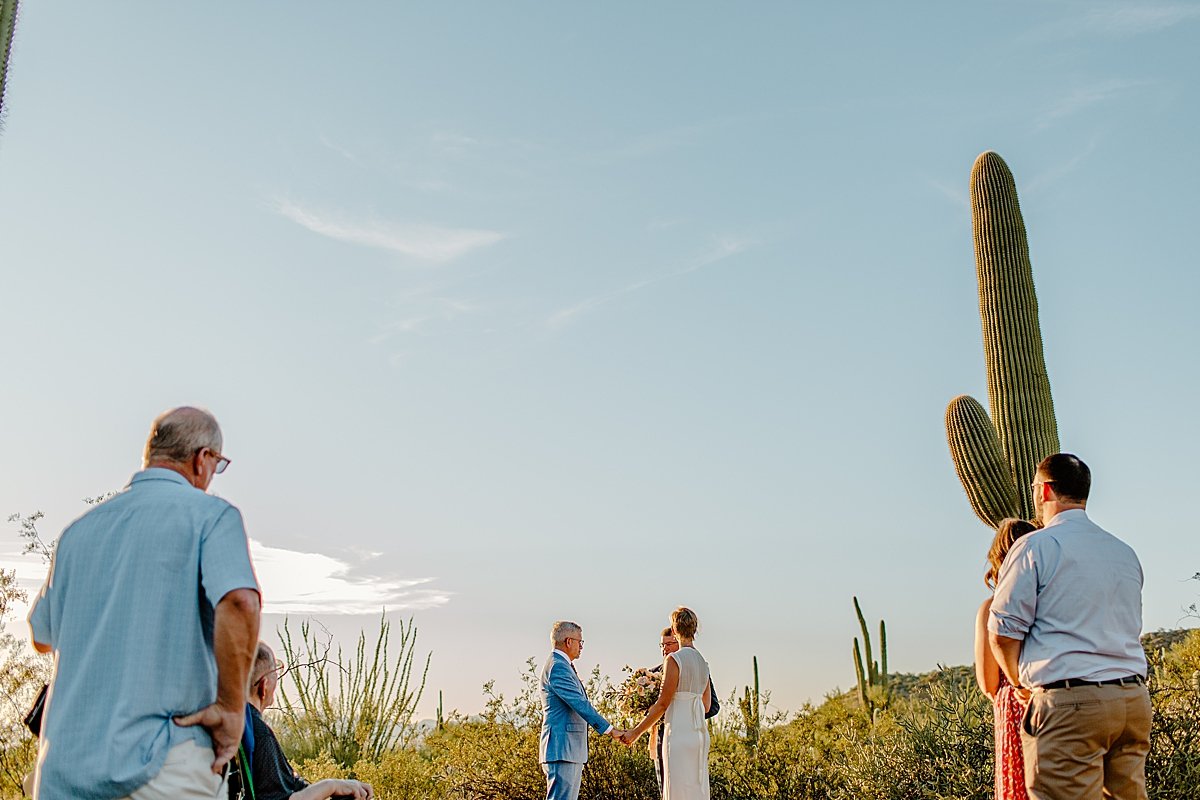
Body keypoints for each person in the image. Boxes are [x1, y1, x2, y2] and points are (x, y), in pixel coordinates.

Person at [28, 407, 262, 799]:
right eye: (217, 465)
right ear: (202, 459)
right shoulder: (211, 516)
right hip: (160, 767)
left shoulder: (77, 534)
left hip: (63, 772)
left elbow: (42, 637)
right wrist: (231, 707)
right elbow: (240, 601)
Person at [989, 453, 1151, 800]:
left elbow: (1002, 632)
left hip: (1071, 704)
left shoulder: (1034, 547)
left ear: (1044, 491)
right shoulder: (1123, 552)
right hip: (1132, 702)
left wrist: (1018, 682)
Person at [228, 643, 373, 800]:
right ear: (264, 686)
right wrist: (332, 785)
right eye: (276, 672)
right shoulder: (259, 735)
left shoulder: (233, 727)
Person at [974, 518, 1038, 800]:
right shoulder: (1049, 600)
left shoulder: (991, 609)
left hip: (1012, 704)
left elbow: (988, 683)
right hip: (1050, 698)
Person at [621, 608, 711, 800]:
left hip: (677, 734)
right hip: (699, 736)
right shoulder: (703, 663)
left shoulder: (674, 659)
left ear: (674, 629)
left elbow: (662, 703)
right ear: (694, 629)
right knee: (696, 789)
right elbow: (707, 705)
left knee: (676, 789)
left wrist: (635, 733)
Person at [539, 621, 624, 800]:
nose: (581, 647)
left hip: (568, 749)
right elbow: (580, 704)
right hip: (562, 748)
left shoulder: (562, 665)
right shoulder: (558, 667)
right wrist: (610, 730)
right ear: (569, 641)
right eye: (580, 642)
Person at [649, 627, 719, 797]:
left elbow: (711, 707)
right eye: (662, 645)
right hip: (661, 737)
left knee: (685, 786)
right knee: (668, 788)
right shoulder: (651, 674)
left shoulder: (694, 667)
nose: (665, 649)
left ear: (678, 640)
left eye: (669, 644)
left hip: (685, 732)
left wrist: (683, 711)